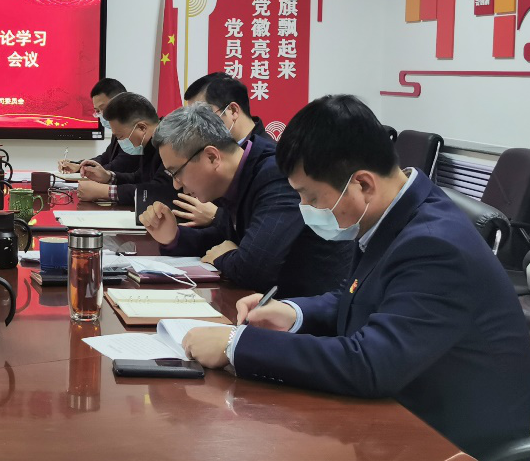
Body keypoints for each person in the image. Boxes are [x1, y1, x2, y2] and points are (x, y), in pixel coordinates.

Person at [179, 96, 530, 459]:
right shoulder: (396, 211)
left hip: (454, 437)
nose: (305, 210)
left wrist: (236, 344)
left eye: (311, 198)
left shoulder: (434, 245)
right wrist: (293, 312)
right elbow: (360, 296)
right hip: (405, 402)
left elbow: (369, 364)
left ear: (362, 184)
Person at [140, 104, 350, 297]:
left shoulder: (276, 176)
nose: (176, 185)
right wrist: (173, 236)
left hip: (312, 310)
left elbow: (253, 269)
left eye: (176, 173)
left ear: (212, 157)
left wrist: (223, 257)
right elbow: (220, 238)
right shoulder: (238, 175)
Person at [177, 73, 275, 228]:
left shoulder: (271, 162)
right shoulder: (207, 151)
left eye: (202, 117)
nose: (195, 128)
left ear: (233, 111)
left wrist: (217, 215)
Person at [76, 92, 173, 206]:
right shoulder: (149, 143)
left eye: (120, 137)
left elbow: (160, 191)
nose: (120, 142)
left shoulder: (171, 142)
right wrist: (108, 177)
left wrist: (105, 192)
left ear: (142, 128)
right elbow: (139, 177)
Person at [57, 78, 138, 175]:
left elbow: (119, 166)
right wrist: (78, 165)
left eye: (104, 108)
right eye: (98, 111)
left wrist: (82, 169)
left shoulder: (136, 131)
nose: (102, 115)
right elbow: (105, 158)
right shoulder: (118, 129)